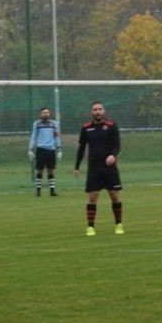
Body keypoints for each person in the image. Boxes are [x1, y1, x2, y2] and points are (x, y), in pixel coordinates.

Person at [74, 102, 124, 237]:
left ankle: (118, 224)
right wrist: (77, 166)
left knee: (114, 196)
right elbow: (81, 148)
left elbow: (117, 144)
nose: (97, 111)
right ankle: (90, 227)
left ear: (104, 111)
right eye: (95, 109)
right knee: (92, 197)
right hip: (94, 167)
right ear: (92, 112)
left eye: (100, 109)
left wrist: (113, 155)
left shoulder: (112, 125)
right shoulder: (86, 128)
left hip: (110, 167)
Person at [29, 106, 62, 196]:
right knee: (39, 170)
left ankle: (52, 191)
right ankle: (38, 191)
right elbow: (34, 136)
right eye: (43, 113)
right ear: (40, 114)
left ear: (49, 114)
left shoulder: (54, 124)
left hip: (51, 150)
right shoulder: (37, 124)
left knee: (51, 170)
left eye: (47, 112)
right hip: (40, 149)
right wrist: (30, 149)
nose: (45, 114)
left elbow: (57, 137)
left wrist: (59, 149)